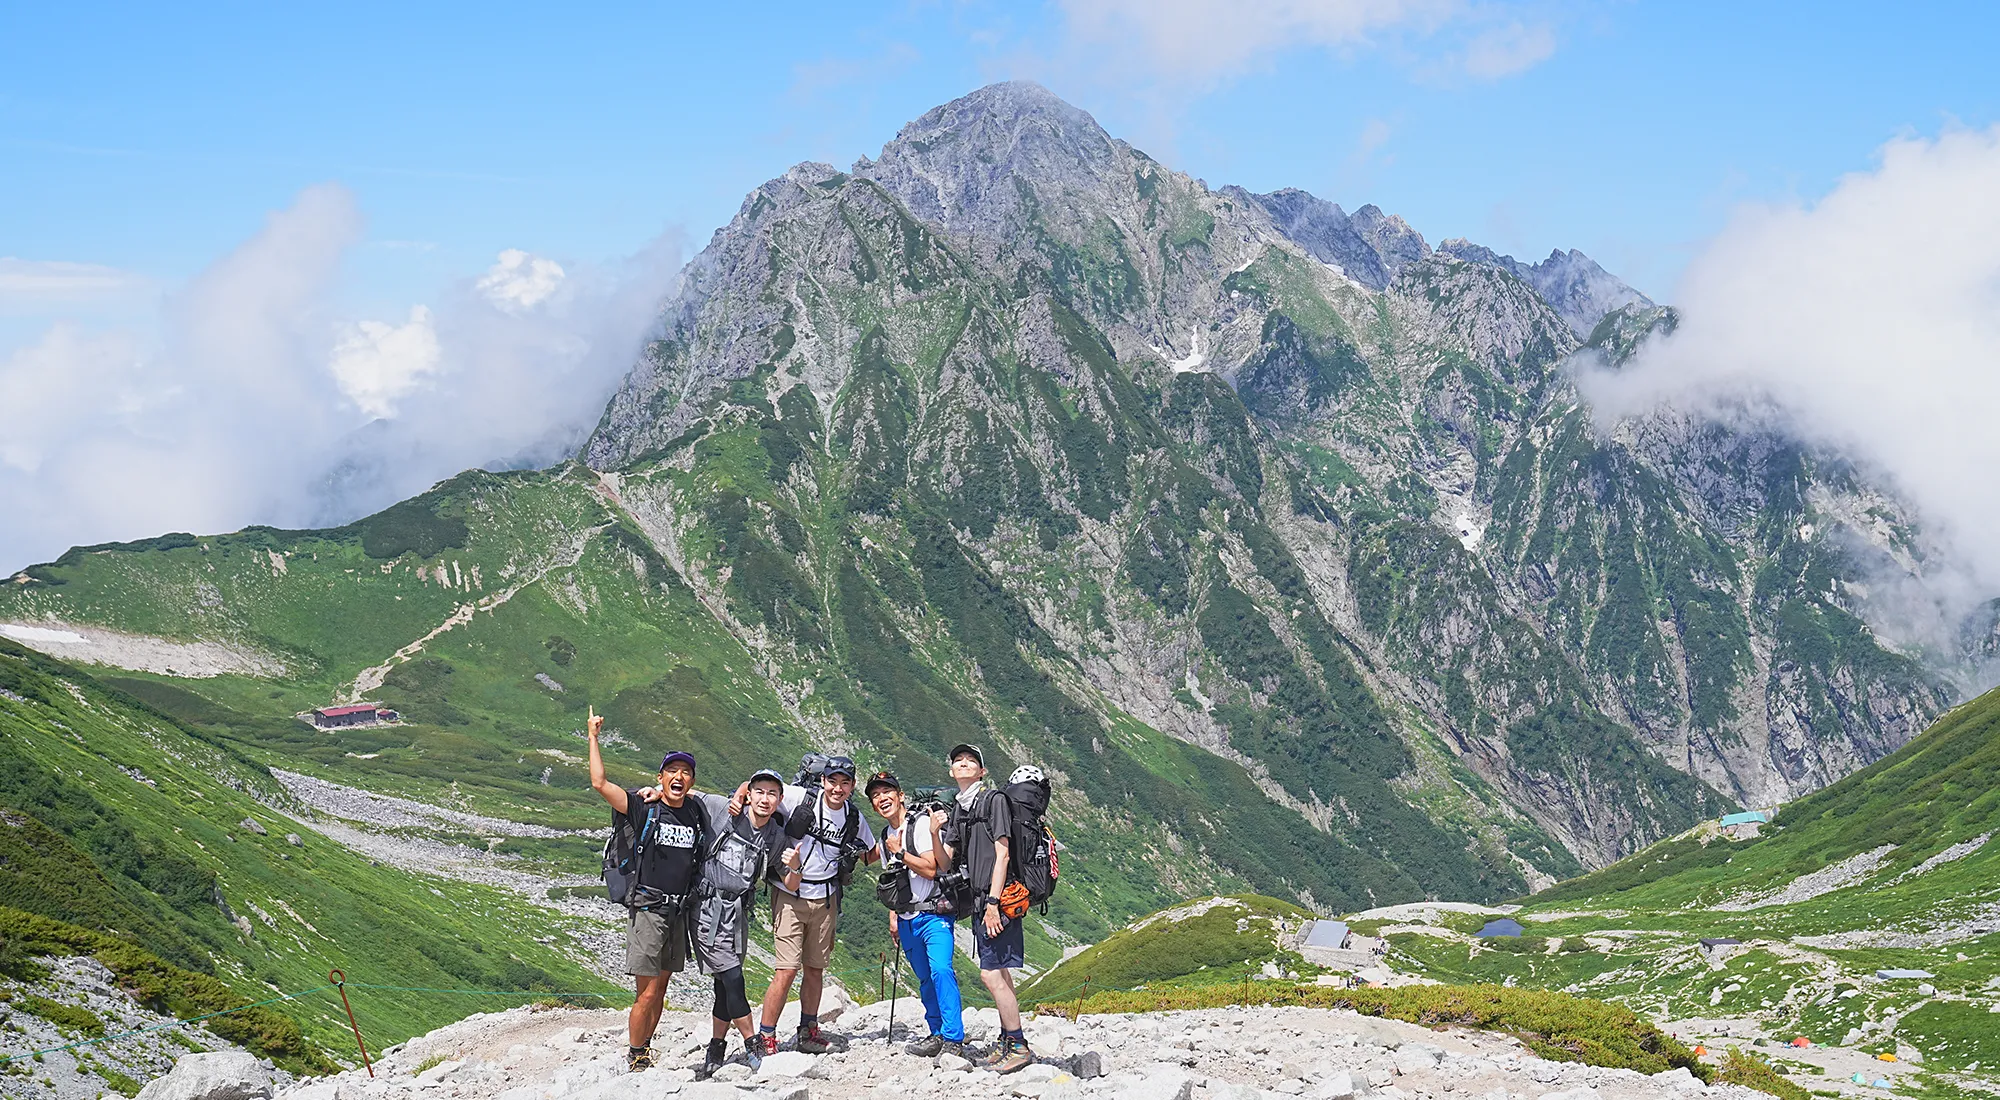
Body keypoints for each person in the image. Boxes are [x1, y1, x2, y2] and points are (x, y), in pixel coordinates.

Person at [586, 709, 705, 1073]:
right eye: (672, 771)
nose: (679, 777)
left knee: (662, 989)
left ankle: (645, 1049)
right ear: (660, 777)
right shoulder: (643, 807)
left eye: (685, 772)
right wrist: (593, 736)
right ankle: (636, 1055)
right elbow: (600, 783)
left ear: (692, 781)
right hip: (649, 909)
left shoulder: (696, 811)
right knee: (648, 991)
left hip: (677, 912)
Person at [739, 755, 879, 1055]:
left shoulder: (853, 817)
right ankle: (766, 1035)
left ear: (852, 786)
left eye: (844, 783)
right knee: (786, 970)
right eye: (832, 781)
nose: (837, 789)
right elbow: (756, 788)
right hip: (790, 894)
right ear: (823, 781)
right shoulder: (800, 796)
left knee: (815, 969)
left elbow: (871, 853)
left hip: (826, 898)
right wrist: (738, 799)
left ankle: (808, 1031)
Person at [687, 767, 795, 1077]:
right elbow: (687, 795)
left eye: (772, 793)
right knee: (734, 978)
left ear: (779, 799)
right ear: (748, 794)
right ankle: (753, 1044)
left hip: (737, 916)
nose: (765, 798)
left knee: (724, 984)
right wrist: (654, 793)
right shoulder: (724, 809)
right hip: (707, 909)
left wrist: (796, 867)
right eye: (759, 791)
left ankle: (716, 1047)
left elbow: (791, 881)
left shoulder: (775, 835)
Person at [945, 743, 1034, 1074]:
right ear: (952, 772)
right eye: (958, 761)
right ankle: (1008, 1042)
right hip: (981, 900)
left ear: (982, 772)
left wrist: (994, 904)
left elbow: (1003, 854)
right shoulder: (960, 808)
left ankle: (1019, 1045)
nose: (964, 764)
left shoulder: (993, 800)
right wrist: (930, 829)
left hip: (998, 899)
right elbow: (946, 858)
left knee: (990, 973)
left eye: (972, 762)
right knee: (1001, 972)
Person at [865, 770, 965, 1058]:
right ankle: (935, 1033)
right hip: (907, 918)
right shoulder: (886, 835)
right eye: (875, 796)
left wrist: (899, 853)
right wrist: (893, 916)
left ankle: (953, 1037)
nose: (882, 799)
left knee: (941, 970)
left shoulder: (920, 825)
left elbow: (931, 869)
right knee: (924, 978)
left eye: (886, 793)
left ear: (900, 796)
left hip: (934, 914)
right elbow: (894, 877)